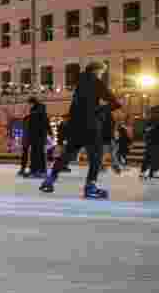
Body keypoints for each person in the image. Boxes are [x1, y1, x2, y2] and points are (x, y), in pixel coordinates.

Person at [39, 62, 121, 198]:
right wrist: (100, 111)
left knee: (67, 154)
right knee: (96, 157)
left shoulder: (79, 84)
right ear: (97, 70)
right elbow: (115, 103)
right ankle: (90, 187)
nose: (102, 74)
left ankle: (49, 180)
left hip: (76, 126)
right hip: (90, 126)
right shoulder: (96, 82)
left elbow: (74, 107)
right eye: (102, 72)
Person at [26, 97, 51, 178]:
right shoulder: (34, 110)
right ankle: (36, 170)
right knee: (35, 153)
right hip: (36, 136)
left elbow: (44, 122)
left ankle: (39, 171)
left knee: (38, 153)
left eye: (29, 104)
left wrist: (49, 132)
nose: (29, 106)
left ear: (32, 103)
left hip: (38, 136)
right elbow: (46, 121)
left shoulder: (37, 111)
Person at [17, 112, 31, 177]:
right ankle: (23, 168)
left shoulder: (27, 120)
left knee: (26, 155)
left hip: (28, 140)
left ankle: (24, 168)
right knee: (25, 155)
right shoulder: (27, 120)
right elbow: (24, 132)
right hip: (27, 140)